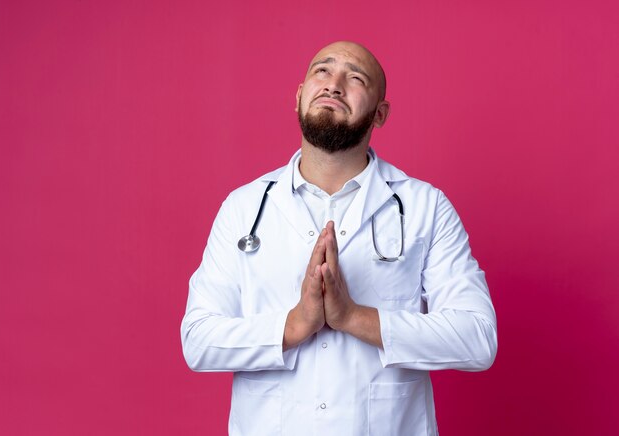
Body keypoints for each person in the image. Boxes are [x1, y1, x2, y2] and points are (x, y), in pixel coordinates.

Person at [181, 41, 497, 436]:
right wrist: (295, 325)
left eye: (355, 78)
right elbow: (197, 340)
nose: (333, 85)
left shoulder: (425, 208)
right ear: (299, 96)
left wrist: (353, 317)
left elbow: (477, 338)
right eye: (322, 71)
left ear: (380, 114)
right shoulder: (243, 208)